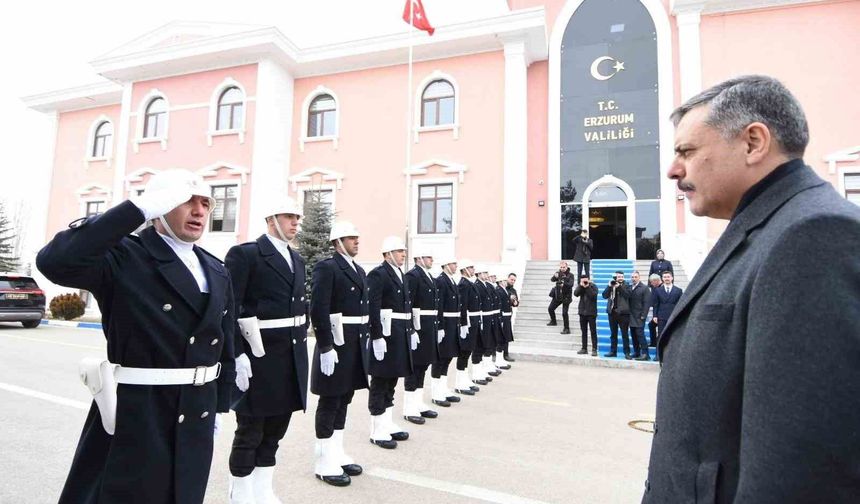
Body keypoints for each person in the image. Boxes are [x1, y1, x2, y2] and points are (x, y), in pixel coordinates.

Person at [643, 75, 860, 502]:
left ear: (753, 143)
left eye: (687, 151)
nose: (673, 169)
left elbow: (804, 473)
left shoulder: (813, 235)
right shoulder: (767, 225)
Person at [37, 169, 236, 504]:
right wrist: (136, 211)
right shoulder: (126, 256)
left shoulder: (215, 268)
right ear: (158, 206)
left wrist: (220, 403)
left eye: (205, 203)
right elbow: (56, 262)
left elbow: (223, 338)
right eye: (186, 201)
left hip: (197, 408)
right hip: (139, 408)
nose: (200, 211)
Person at [224, 197, 309, 500]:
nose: (295, 223)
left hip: (289, 357)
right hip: (258, 358)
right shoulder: (246, 255)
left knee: (275, 431)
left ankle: (262, 491)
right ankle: (240, 493)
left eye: (297, 218)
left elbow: (301, 307)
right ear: (271, 220)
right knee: (250, 432)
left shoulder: (296, 259)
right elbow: (227, 308)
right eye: (289, 217)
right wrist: (236, 353)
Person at [308, 220, 370, 487]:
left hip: (354, 344)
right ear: (337, 242)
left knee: (345, 398)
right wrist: (325, 346)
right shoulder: (328, 267)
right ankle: (323, 460)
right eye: (350, 238)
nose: (356, 241)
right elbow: (319, 308)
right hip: (336, 344)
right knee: (330, 400)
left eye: (357, 237)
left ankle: (337, 451)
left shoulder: (359, 270)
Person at [366, 236, 413, 449]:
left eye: (403, 251)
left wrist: (411, 330)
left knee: (392, 379)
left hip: (399, 333)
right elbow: (372, 307)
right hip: (386, 334)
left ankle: (387, 422)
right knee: (380, 381)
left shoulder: (400, 274)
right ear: (387, 254)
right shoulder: (378, 274)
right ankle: (377, 429)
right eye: (399, 251)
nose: (403, 254)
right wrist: (376, 336)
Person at [403, 251, 441, 421]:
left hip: (428, 326)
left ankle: (418, 403)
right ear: (419, 259)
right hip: (418, 327)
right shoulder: (413, 275)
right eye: (428, 257)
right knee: (414, 367)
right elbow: (408, 304)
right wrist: (410, 329)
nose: (431, 259)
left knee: (423, 365)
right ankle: (409, 407)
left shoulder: (429, 276)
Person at [430, 256, 464, 406]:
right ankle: (436, 392)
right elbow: (440, 306)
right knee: (440, 359)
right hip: (445, 323)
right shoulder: (441, 281)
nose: (456, 266)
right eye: (453, 264)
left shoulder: (451, 280)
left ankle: (443, 388)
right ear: (446, 264)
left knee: (448, 358)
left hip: (453, 323)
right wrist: (440, 327)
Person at [456, 259, 483, 393]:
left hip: (473, 320)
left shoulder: (468, 283)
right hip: (468, 321)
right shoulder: (463, 284)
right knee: (464, 352)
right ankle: (460, 383)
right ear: (465, 269)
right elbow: (463, 306)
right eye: (471, 267)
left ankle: (465, 379)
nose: (473, 270)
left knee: (468, 351)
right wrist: (463, 324)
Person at [602, 271, 631, 359]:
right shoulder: (611, 285)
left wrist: (619, 287)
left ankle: (627, 353)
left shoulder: (627, 285)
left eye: (621, 276)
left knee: (624, 334)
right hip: (612, 313)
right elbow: (604, 296)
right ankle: (613, 351)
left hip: (623, 314)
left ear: (623, 277)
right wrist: (609, 286)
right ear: (615, 277)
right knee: (613, 334)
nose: (620, 278)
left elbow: (628, 295)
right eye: (618, 276)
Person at [650, 271, 682, 341]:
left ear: (672, 278)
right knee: (661, 336)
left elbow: (680, 305)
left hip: (673, 316)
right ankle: (660, 351)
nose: (666, 278)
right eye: (664, 277)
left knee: (673, 336)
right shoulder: (657, 290)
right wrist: (655, 316)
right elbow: (656, 304)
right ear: (662, 279)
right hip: (661, 317)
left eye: (668, 277)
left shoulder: (678, 290)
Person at [627, 271, 651, 361]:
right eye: (632, 277)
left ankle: (645, 354)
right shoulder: (629, 287)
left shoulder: (644, 288)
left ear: (639, 277)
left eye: (635, 277)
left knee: (640, 335)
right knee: (633, 335)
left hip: (639, 316)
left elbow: (647, 303)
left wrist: (644, 315)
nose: (633, 278)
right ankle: (637, 352)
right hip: (631, 315)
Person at [573, 274, 598, 356]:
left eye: (586, 280)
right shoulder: (580, 287)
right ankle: (584, 348)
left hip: (591, 313)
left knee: (593, 331)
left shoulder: (593, 286)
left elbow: (593, 296)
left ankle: (594, 349)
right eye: (582, 280)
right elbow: (576, 294)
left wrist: (587, 287)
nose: (584, 281)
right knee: (583, 331)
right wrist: (581, 286)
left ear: (589, 279)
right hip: (582, 313)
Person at [493, 273, 514, 370]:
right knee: (501, 339)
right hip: (503, 316)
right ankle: (498, 359)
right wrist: (500, 318)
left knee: (505, 338)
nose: (507, 282)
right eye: (505, 281)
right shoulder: (498, 290)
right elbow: (499, 305)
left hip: (507, 316)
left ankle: (501, 359)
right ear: (501, 282)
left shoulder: (503, 290)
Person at [547, 261, 574, 334]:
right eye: (561, 267)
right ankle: (553, 321)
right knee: (550, 308)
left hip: (566, 297)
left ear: (567, 267)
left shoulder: (571, 275)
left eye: (564, 267)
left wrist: (564, 284)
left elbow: (571, 284)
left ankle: (567, 329)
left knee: (564, 313)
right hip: (558, 295)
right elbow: (552, 280)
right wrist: (554, 276)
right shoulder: (558, 273)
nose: (562, 269)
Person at [503, 272, 518, 362]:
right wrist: (509, 298)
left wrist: (515, 303)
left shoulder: (514, 290)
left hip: (509, 314)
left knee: (507, 335)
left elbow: (516, 302)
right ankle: (498, 353)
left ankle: (506, 353)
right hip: (501, 314)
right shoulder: (503, 287)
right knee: (501, 334)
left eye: (514, 280)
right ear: (507, 278)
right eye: (511, 279)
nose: (512, 281)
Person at [646, 274, 661, 347]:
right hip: (656, 311)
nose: (651, 284)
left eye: (652, 282)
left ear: (656, 281)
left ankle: (656, 342)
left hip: (662, 313)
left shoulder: (661, 288)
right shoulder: (655, 287)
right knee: (651, 325)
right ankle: (654, 342)